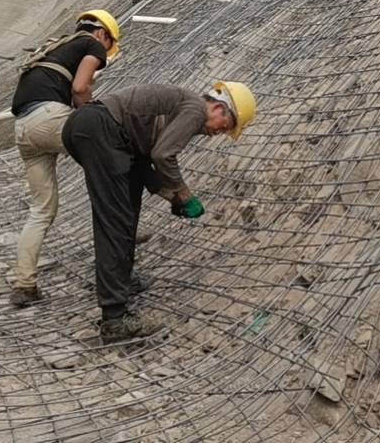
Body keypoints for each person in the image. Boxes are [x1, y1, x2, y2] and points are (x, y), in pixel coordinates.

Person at [61, 80, 256, 343]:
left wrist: (173, 198)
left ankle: (122, 278)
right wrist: (185, 194)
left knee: (126, 211)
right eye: (227, 127)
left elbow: (143, 165)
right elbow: (164, 155)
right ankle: (115, 319)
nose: (220, 133)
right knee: (115, 222)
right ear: (221, 109)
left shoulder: (171, 113)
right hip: (101, 130)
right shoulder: (196, 108)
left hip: (95, 131)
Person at [5, 10, 121, 308]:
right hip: (49, 117)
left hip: (23, 129)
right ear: (102, 35)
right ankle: (123, 235)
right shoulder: (92, 44)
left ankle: (24, 284)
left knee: (42, 210)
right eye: (108, 47)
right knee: (113, 159)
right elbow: (80, 88)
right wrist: (91, 111)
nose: (103, 54)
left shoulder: (56, 44)